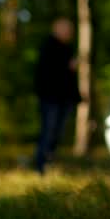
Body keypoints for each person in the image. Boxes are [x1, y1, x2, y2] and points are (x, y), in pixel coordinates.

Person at [34, 18, 80, 174]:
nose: (70, 33)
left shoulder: (67, 48)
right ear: (57, 29)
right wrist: (68, 67)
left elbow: (69, 79)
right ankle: (41, 165)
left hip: (64, 98)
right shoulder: (48, 47)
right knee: (49, 131)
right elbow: (47, 74)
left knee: (57, 133)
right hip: (50, 98)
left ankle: (49, 162)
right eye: (67, 29)